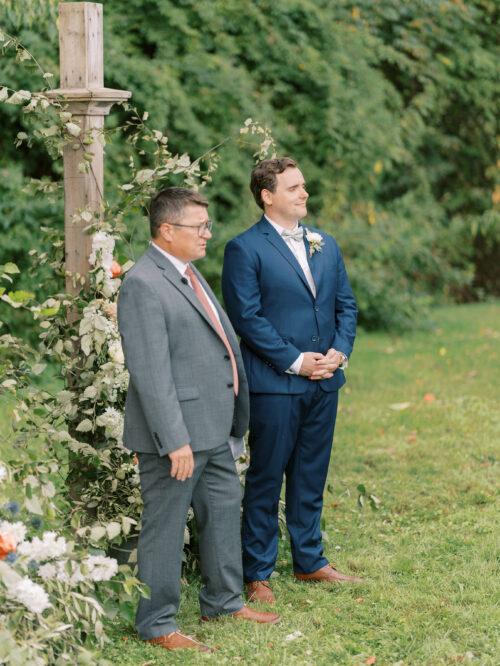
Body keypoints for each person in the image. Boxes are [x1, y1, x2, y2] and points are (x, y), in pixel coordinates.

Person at [118, 187, 279, 654]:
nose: (208, 234)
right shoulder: (144, 283)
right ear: (167, 231)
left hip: (214, 428)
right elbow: (150, 373)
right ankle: (157, 623)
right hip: (177, 440)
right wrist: (174, 441)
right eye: (199, 226)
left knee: (224, 514)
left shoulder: (188, 274)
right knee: (165, 531)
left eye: (207, 225)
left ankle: (224, 601)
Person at [221, 157, 362, 605]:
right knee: (266, 476)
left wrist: (339, 351)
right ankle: (257, 571)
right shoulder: (245, 248)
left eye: (304, 186)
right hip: (276, 384)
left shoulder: (326, 243)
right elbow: (248, 317)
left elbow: (346, 305)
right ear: (267, 195)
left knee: (310, 474)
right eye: (294, 187)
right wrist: (297, 361)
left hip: (325, 382)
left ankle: (310, 560)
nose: (304, 193)